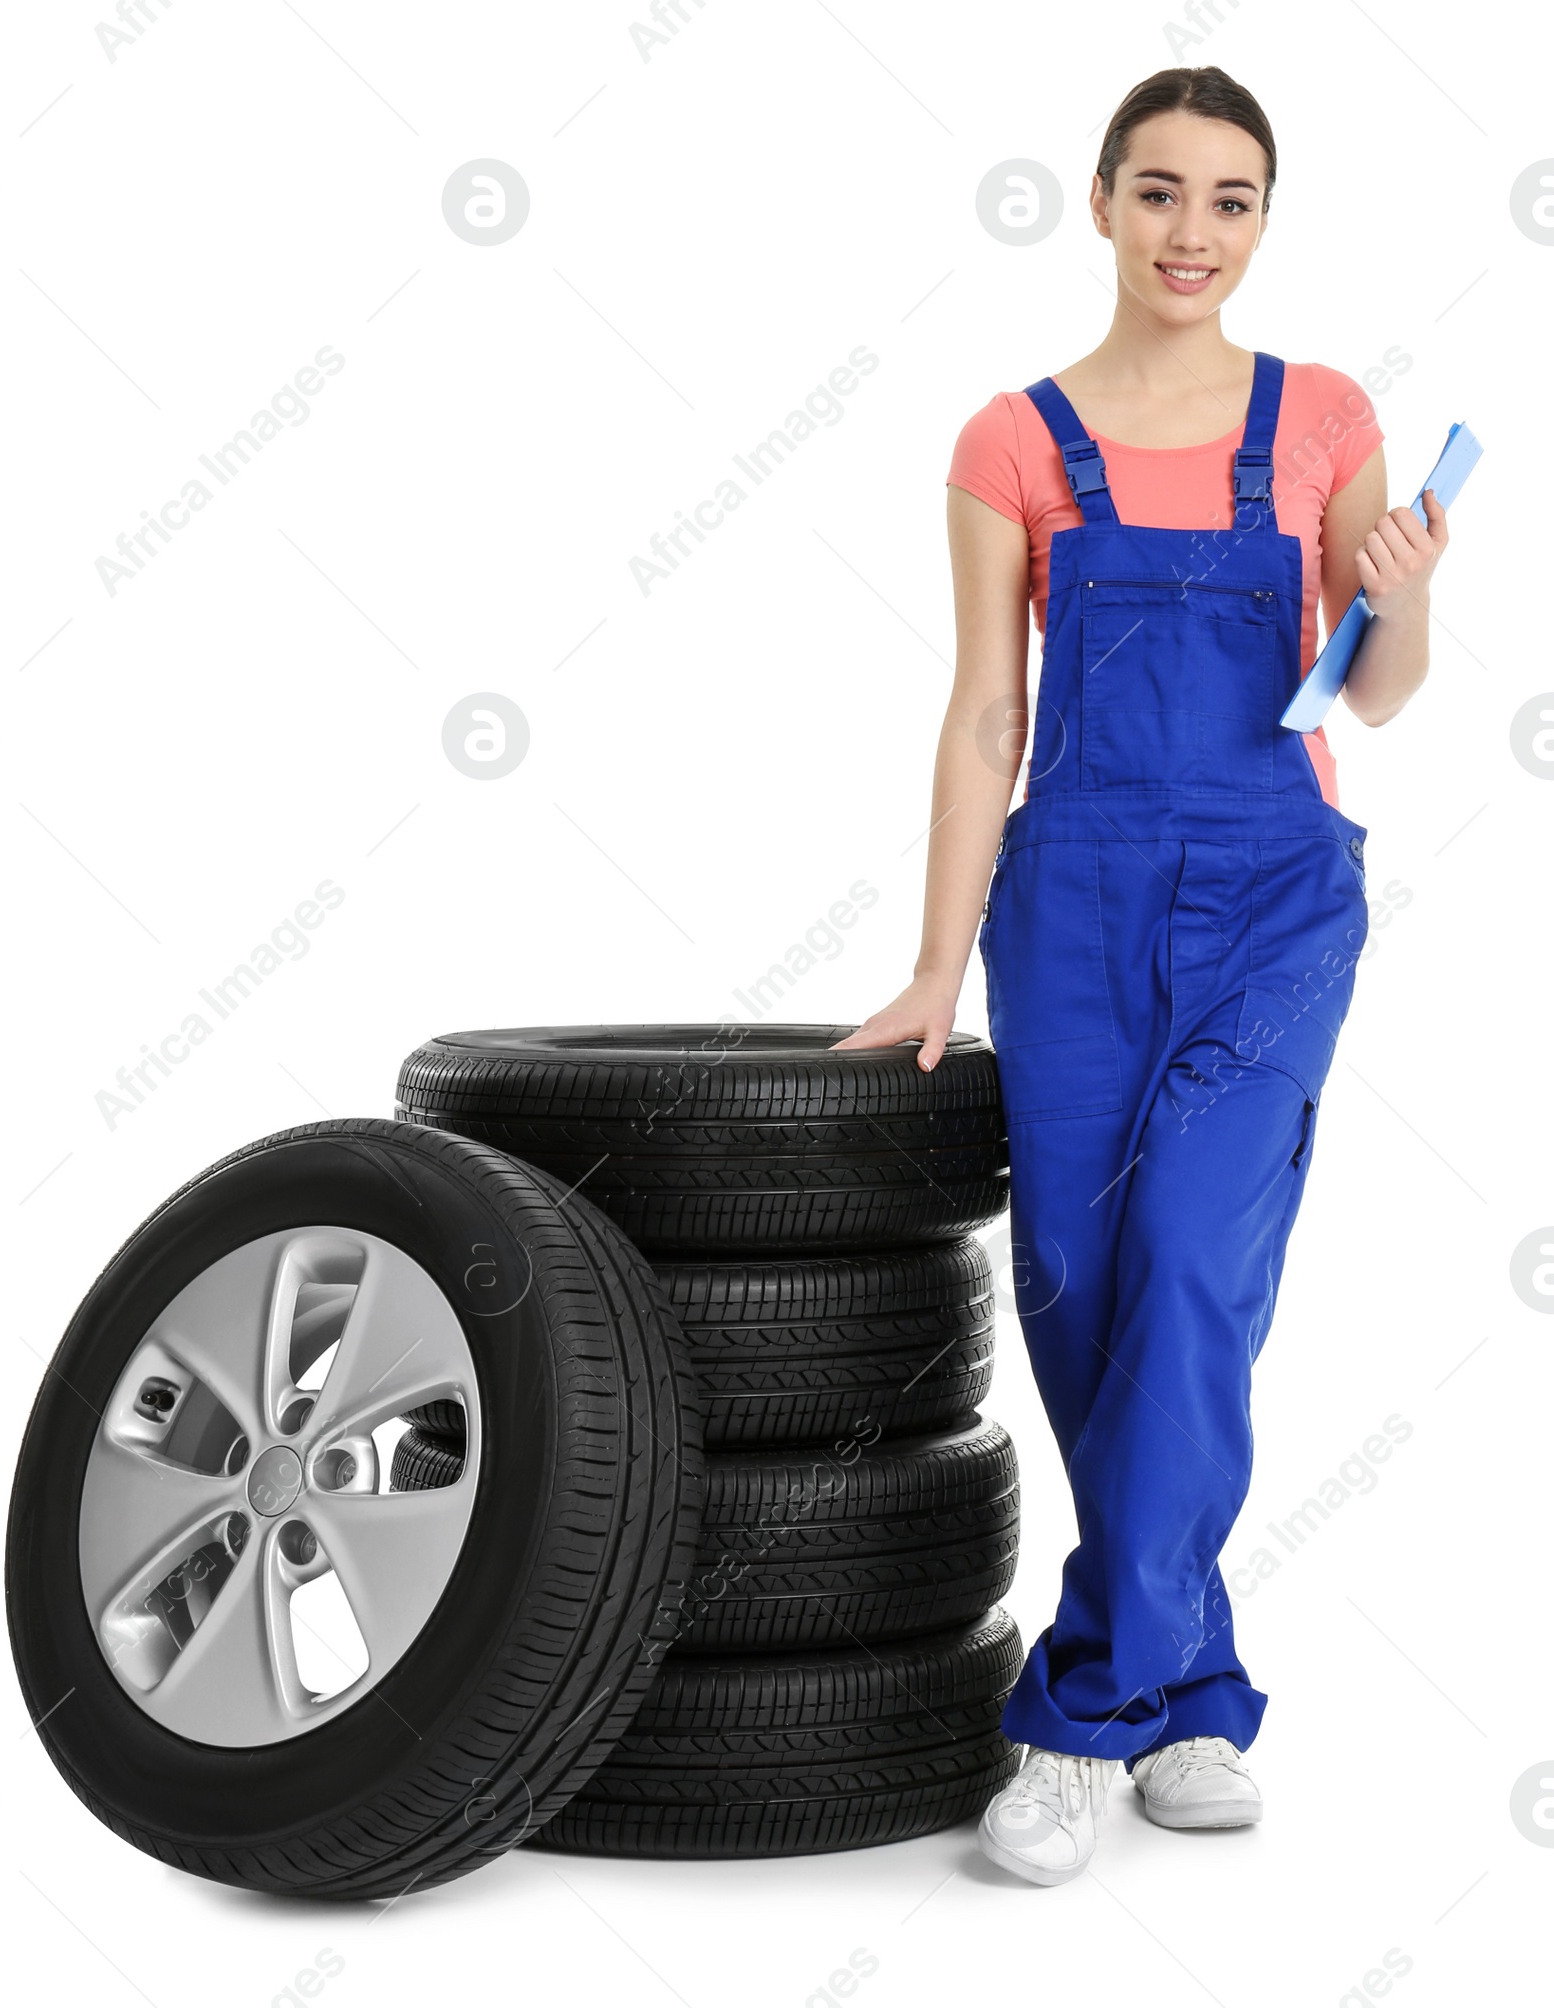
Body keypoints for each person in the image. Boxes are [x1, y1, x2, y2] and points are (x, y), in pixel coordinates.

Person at [833, 64, 1448, 1886]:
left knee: (1193, 1253)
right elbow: (982, 715)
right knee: (1086, 1290)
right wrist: (936, 968)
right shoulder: (1012, 440)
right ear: (1096, 203)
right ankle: (1196, 1683)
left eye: (1234, 200)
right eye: (1162, 192)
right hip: (1073, 898)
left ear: (1266, 222)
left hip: (1274, 893)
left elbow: (1382, 693)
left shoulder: (1325, 418)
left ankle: (1079, 1720)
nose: (1195, 232)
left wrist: (1405, 587)